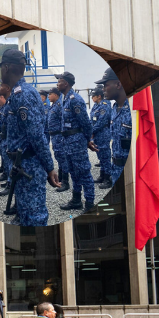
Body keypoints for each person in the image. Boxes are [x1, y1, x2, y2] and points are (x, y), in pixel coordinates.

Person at [0, 48, 60, 225]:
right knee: (25, 215)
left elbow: (36, 136)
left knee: (35, 217)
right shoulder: (16, 93)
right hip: (20, 166)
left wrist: (49, 168)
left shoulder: (24, 94)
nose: (1, 71)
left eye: (1, 67)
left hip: (29, 167)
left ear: (7, 67)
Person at [56, 71, 96, 212]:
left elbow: (86, 124)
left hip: (77, 142)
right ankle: (76, 200)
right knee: (73, 172)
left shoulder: (75, 100)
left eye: (59, 81)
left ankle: (90, 203)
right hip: (67, 142)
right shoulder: (64, 98)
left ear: (66, 83)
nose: (57, 83)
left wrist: (86, 141)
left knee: (84, 173)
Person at [95, 67, 131, 184]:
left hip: (130, 171)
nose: (103, 89)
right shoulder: (115, 108)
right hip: (116, 169)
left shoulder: (132, 109)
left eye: (106, 85)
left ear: (118, 84)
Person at [89, 85, 113, 189]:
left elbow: (101, 122)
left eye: (93, 96)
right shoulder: (96, 105)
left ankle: (108, 178)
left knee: (105, 156)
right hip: (97, 134)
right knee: (100, 155)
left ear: (99, 96)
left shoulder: (105, 105)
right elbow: (92, 120)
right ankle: (102, 175)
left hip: (103, 133)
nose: (91, 98)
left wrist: (91, 131)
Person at [46, 87, 69, 193]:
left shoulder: (59, 106)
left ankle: (65, 182)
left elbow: (64, 121)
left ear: (56, 95)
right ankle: (60, 178)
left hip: (59, 136)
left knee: (63, 158)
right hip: (54, 136)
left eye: (50, 94)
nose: (48, 96)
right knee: (59, 157)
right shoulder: (53, 105)